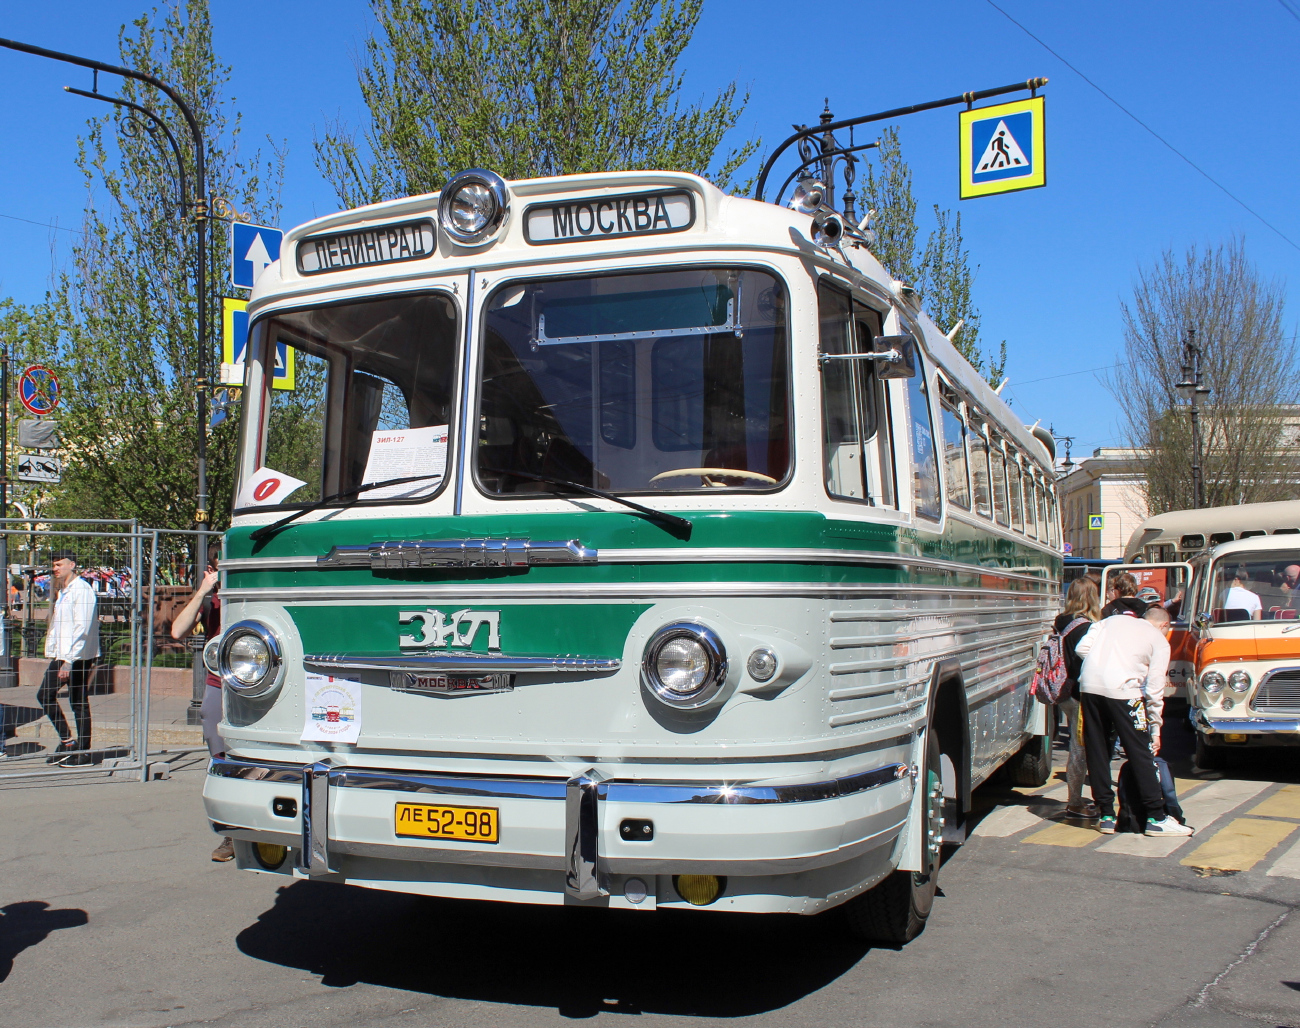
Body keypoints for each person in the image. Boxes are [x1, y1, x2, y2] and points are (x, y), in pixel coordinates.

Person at [1075, 591, 1192, 836]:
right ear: (1164, 624)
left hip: (1089, 686)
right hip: (1125, 691)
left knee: (1098, 749)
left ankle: (1105, 814)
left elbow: (1081, 649)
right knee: (1140, 752)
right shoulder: (1158, 639)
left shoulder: (1107, 622)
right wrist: (1155, 728)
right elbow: (1155, 689)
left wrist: (1105, 664)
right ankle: (1155, 818)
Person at [171, 546, 231, 862]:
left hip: (260, 686)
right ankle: (229, 834)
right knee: (220, 759)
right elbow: (178, 630)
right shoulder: (210, 598)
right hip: (218, 685)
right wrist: (203, 591)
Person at [37, 551, 100, 763]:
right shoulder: (64, 591)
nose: (55, 569)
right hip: (64, 654)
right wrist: (55, 652)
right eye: (53, 565)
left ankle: (82, 750)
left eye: (59, 564)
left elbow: (82, 627)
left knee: (77, 701)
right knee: (46, 695)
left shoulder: (81, 590)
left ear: (72, 565)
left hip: (78, 655)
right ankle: (67, 741)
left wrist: (69, 661)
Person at [1055, 577, 1100, 820]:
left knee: (1077, 744)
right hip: (1080, 693)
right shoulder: (1086, 627)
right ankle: (1074, 801)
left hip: (1064, 691)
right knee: (1079, 748)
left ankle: (1076, 798)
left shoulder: (1061, 621)